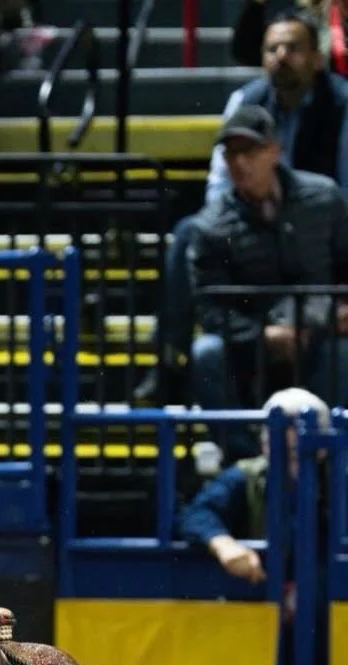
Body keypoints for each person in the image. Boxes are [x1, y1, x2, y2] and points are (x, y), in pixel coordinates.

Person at [146, 9, 348, 405]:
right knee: (192, 230)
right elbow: (220, 183)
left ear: (317, 57)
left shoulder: (341, 103)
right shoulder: (246, 100)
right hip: (251, 223)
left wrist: (302, 205)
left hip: (318, 214)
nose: (281, 56)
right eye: (272, 48)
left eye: (292, 47)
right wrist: (239, 215)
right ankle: (169, 357)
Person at [189, 104, 348, 453]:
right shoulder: (210, 226)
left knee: (344, 353)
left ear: (275, 150)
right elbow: (210, 309)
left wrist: (343, 307)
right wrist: (262, 335)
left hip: (320, 334)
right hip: (252, 346)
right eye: (231, 153)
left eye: (250, 150)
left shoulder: (323, 197)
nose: (239, 163)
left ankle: (337, 460)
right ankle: (246, 464)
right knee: (206, 354)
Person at [177, 386, 329, 582]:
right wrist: (223, 544)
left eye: (296, 453)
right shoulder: (247, 474)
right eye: (276, 447)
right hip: (266, 591)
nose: (287, 463)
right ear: (264, 443)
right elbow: (195, 513)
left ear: (324, 448)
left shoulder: (338, 479)